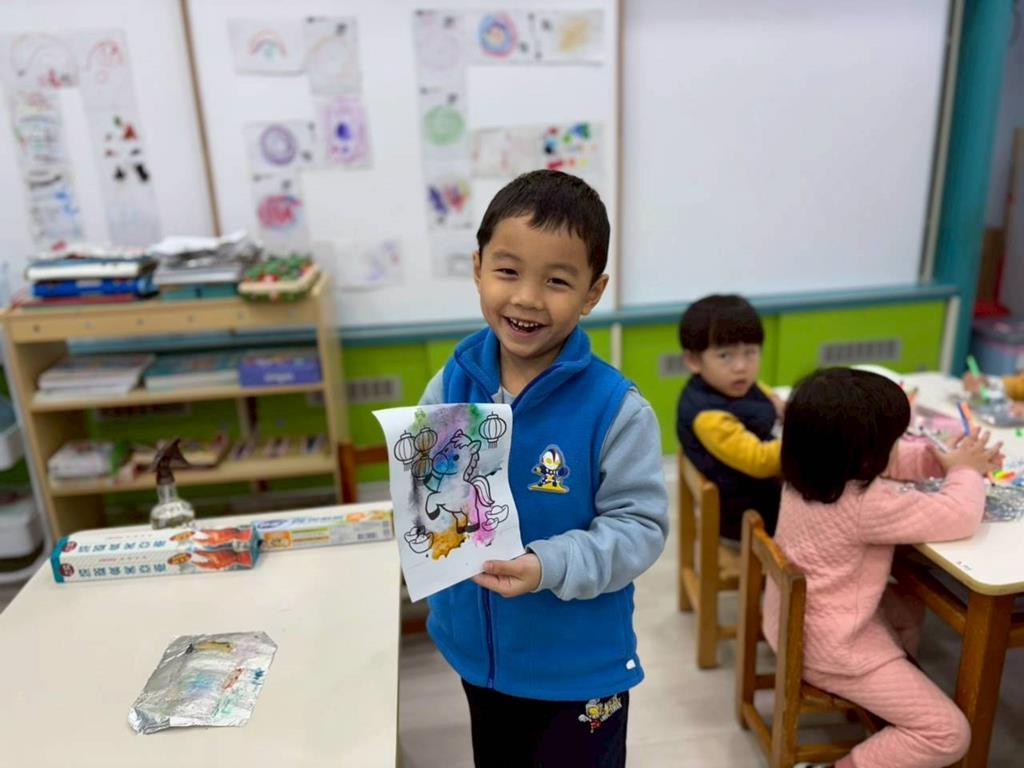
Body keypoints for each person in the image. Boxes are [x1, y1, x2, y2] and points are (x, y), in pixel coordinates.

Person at [418, 169, 669, 767]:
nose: (527, 298)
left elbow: (640, 528)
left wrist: (546, 565)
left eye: (557, 280)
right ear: (478, 267)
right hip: (479, 657)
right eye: (508, 271)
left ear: (592, 293)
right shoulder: (452, 383)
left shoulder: (615, 409)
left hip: (578, 670)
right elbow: (431, 494)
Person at [767, 367, 1002, 768]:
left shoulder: (810, 470)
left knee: (909, 607)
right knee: (948, 733)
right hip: (833, 647)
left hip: (792, 621)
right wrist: (965, 471)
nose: (898, 449)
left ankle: (886, 705)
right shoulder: (867, 505)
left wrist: (942, 460)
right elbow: (960, 515)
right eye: (893, 442)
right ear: (864, 455)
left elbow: (890, 462)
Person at [676, 294, 784, 539]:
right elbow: (760, 461)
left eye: (750, 352)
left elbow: (757, 388)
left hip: (751, 500)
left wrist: (773, 399)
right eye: (725, 356)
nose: (741, 367)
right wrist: (802, 441)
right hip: (745, 521)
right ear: (694, 361)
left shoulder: (727, 384)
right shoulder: (710, 417)